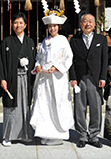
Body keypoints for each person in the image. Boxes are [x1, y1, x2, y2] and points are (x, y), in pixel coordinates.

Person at [30, 9, 74, 145]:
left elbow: (69, 58)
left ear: (58, 27)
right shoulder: (45, 41)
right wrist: (38, 65)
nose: (52, 28)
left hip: (57, 77)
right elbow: (39, 57)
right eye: (50, 26)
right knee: (44, 104)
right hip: (44, 78)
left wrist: (57, 67)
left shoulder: (63, 40)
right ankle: (45, 133)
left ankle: (58, 134)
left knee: (57, 104)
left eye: (54, 26)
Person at [0, 12, 36, 147]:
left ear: (25, 25)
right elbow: (0, 61)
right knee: (10, 107)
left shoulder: (30, 42)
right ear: (12, 25)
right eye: (15, 23)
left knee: (25, 106)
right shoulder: (6, 41)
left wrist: (31, 65)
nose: (18, 25)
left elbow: (35, 61)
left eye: (20, 23)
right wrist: (2, 79)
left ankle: (25, 134)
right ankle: (8, 136)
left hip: (26, 79)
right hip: (11, 79)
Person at [69, 13, 108, 148]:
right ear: (81, 24)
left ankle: (94, 135)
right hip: (80, 78)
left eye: (90, 21)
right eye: (85, 21)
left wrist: (103, 77)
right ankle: (82, 135)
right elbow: (71, 61)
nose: (88, 24)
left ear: (94, 24)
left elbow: (105, 60)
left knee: (96, 107)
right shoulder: (74, 40)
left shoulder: (101, 39)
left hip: (95, 78)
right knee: (79, 107)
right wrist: (72, 78)